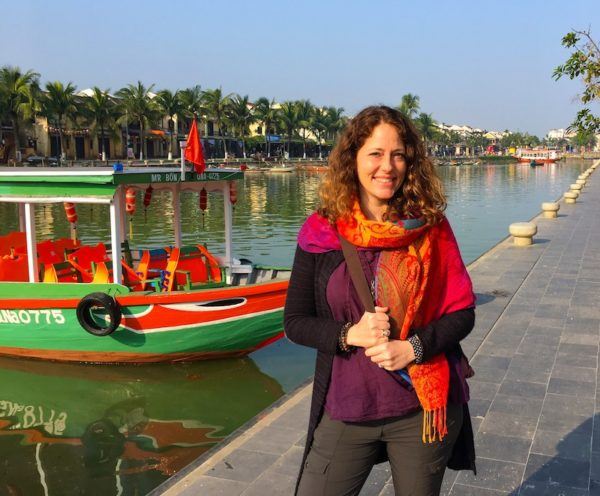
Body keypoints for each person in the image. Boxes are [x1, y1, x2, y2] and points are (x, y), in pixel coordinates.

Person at [284, 105, 476, 496]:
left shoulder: (431, 228)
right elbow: (295, 321)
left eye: (398, 155)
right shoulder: (322, 230)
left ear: (410, 162)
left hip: (420, 410)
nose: (386, 166)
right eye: (375, 153)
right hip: (348, 406)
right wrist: (349, 334)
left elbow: (463, 313)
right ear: (352, 159)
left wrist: (413, 348)